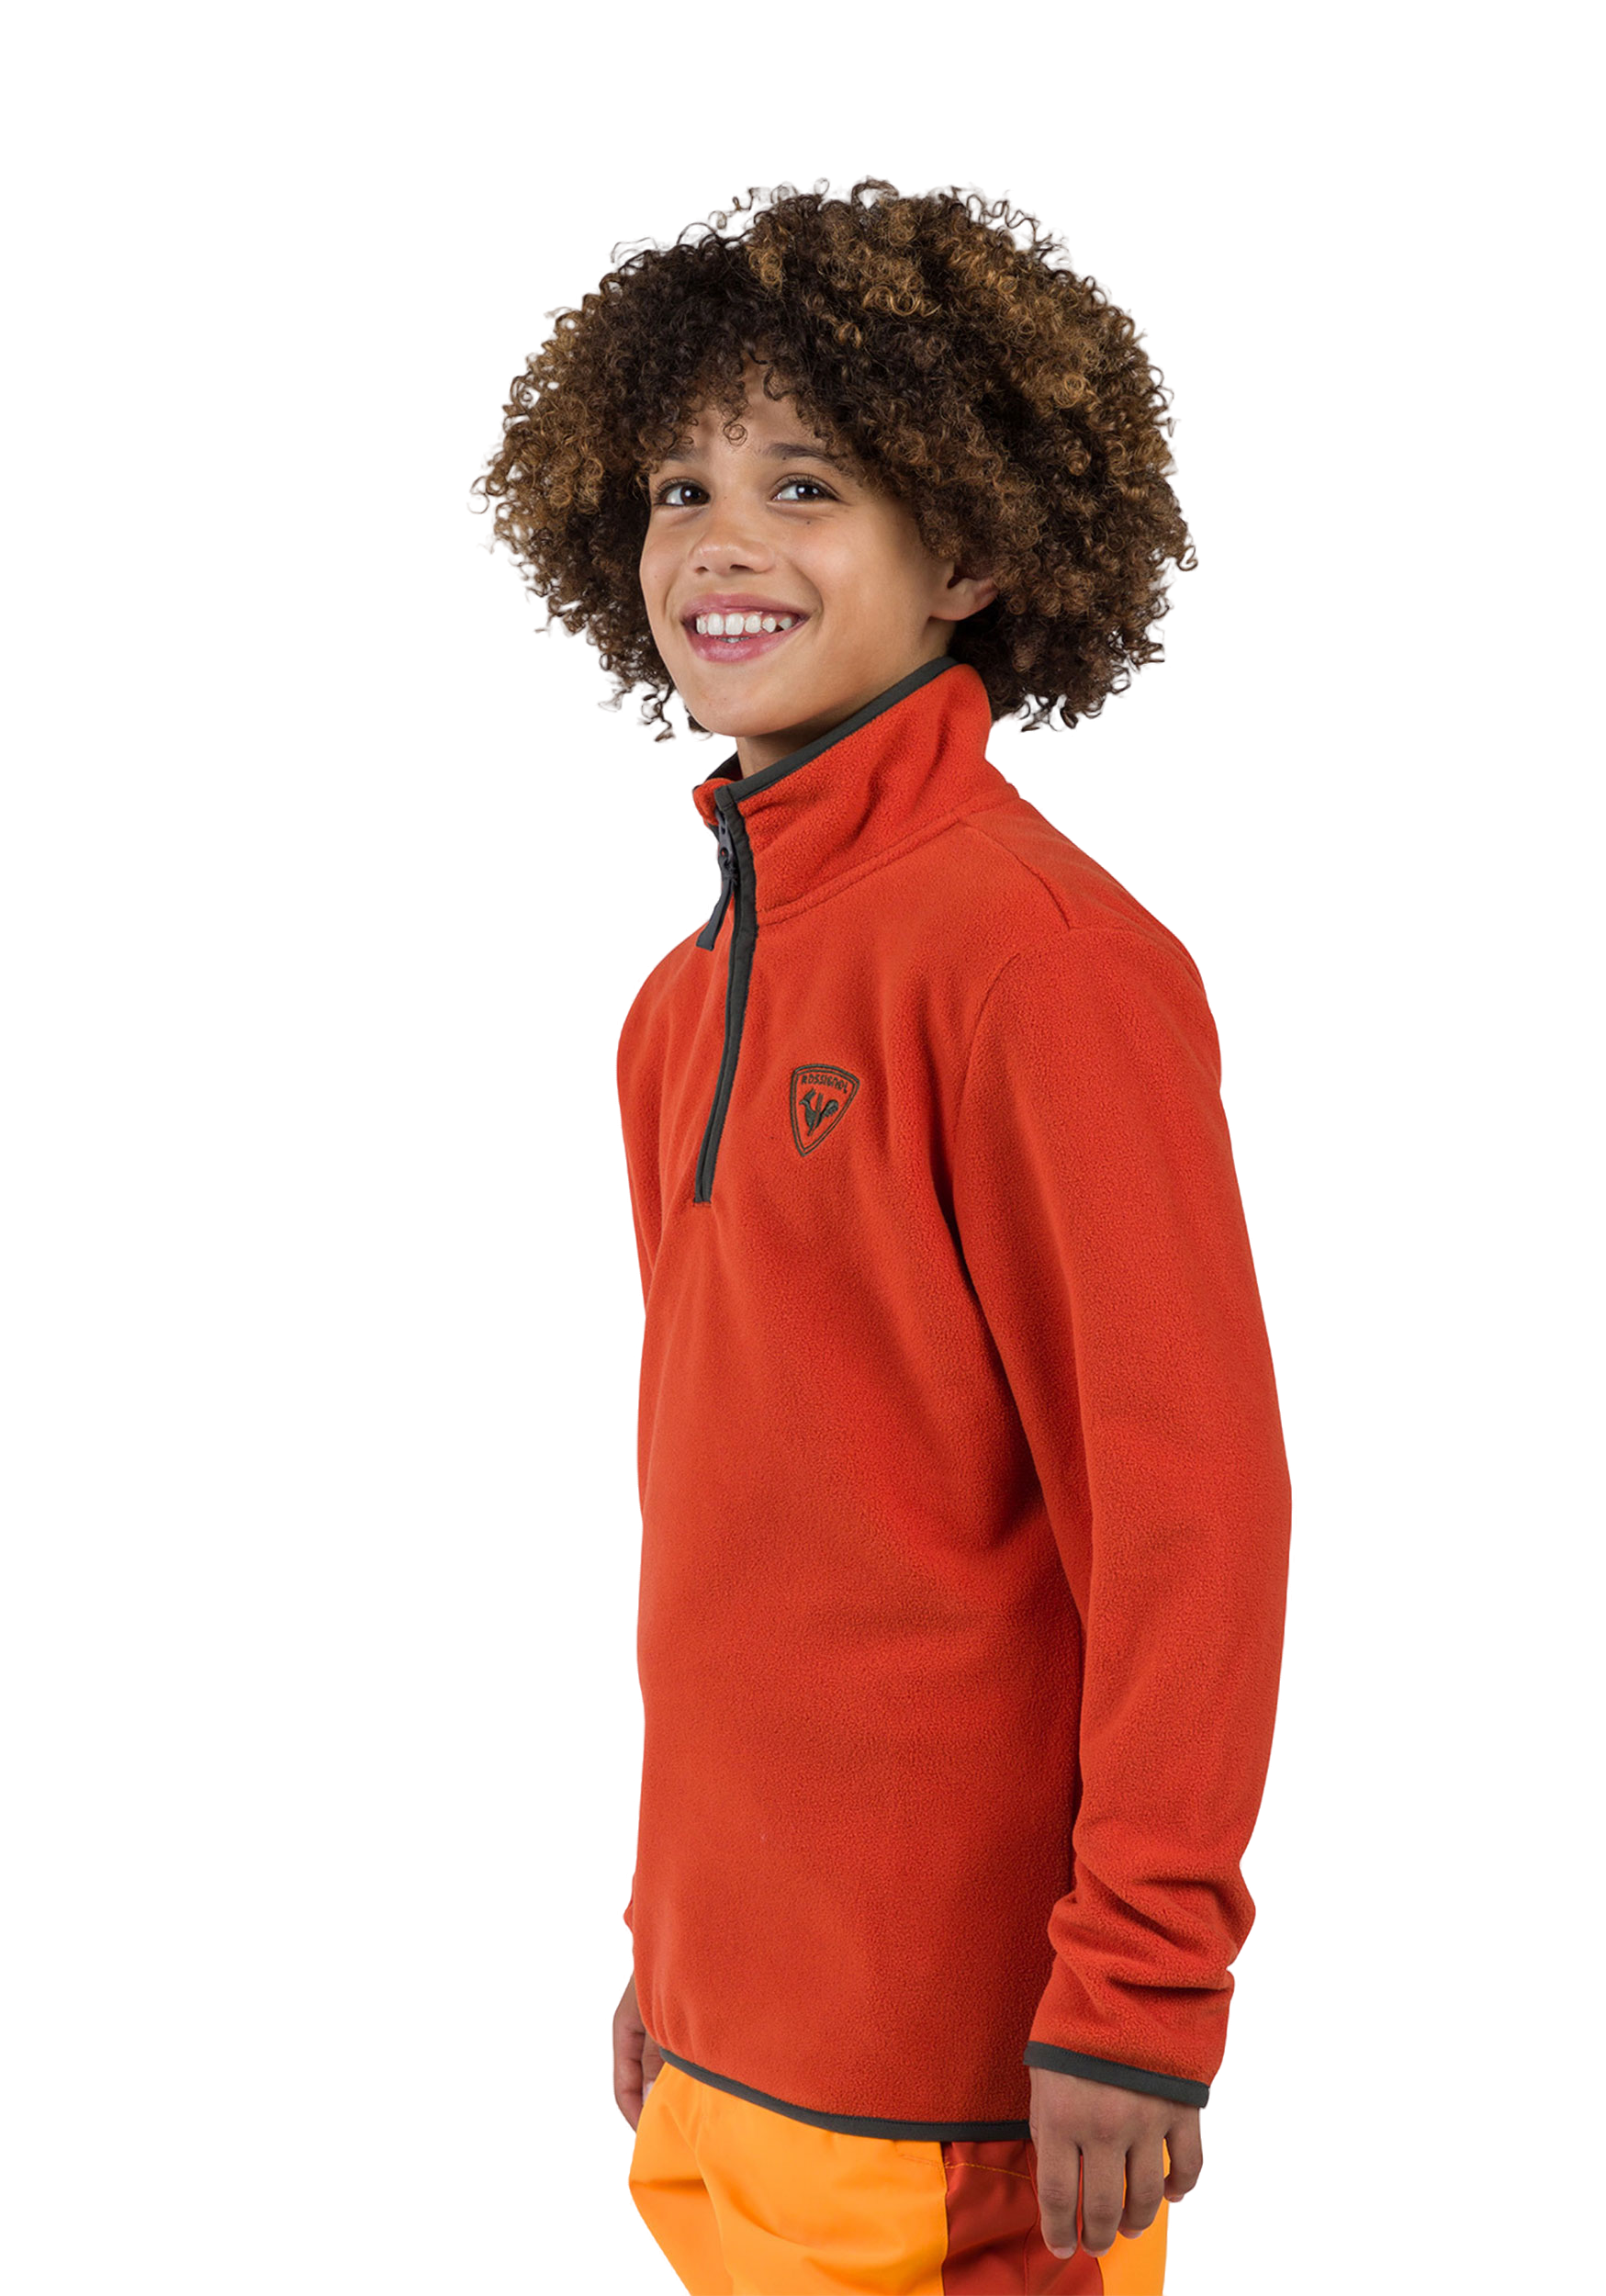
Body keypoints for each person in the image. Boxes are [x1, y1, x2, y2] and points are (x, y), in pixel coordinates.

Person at [466, 172, 1296, 2292]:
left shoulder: (1040, 959)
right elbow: (727, 1525)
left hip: (974, 2099)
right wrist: (660, 1937)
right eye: (678, 484)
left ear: (975, 546)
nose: (717, 541)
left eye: (805, 482)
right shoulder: (671, 1008)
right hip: (720, 2058)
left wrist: (1139, 1987)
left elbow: (1190, 1508)